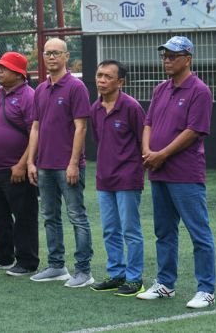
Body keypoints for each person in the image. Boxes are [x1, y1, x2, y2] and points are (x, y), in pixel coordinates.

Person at [137, 36, 216, 309]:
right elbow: (148, 123)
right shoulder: (160, 89)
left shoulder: (200, 91)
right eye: (165, 56)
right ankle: (165, 284)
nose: (167, 60)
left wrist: (161, 155)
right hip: (159, 172)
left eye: (173, 56)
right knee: (164, 232)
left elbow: (193, 132)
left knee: (199, 232)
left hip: (185, 173)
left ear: (188, 58)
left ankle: (206, 289)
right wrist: (148, 150)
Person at [27, 38, 94, 287]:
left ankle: (84, 271)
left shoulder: (76, 88)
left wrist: (74, 163)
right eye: (47, 53)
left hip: (67, 166)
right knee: (49, 216)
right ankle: (57, 266)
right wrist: (31, 162)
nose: (51, 57)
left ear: (66, 56)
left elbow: (81, 128)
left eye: (56, 53)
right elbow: (35, 127)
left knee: (76, 216)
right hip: (44, 166)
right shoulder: (40, 90)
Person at [0, 52, 39, 277]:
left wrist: (22, 164)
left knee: (24, 216)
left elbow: (35, 132)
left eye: (4, 67)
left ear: (19, 74)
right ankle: (2, 255)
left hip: (15, 169)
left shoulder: (28, 96)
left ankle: (27, 260)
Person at [89, 60, 146, 297]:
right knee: (110, 230)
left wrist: (136, 171)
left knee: (130, 231)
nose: (101, 81)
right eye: (99, 75)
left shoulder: (131, 107)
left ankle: (134, 279)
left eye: (108, 77)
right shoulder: (95, 109)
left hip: (128, 178)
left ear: (120, 82)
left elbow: (144, 141)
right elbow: (98, 140)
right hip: (104, 179)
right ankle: (116, 274)